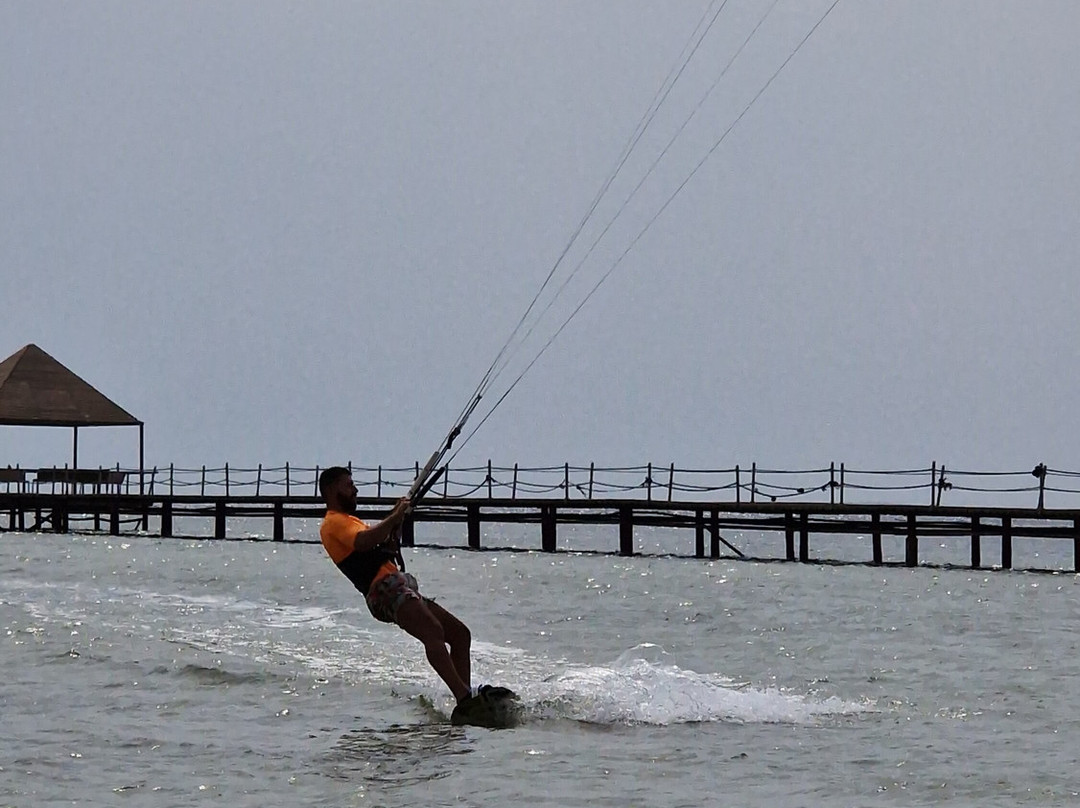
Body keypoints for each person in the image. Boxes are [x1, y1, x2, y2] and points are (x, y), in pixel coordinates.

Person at [318, 465, 490, 707]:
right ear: (332, 490)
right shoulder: (333, 523)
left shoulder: (350, 521)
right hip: (383, 591)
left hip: (397, 585)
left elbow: (379, 547)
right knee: (432, 631)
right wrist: (394, 516)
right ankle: (465, 699)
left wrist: (395, 526)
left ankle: (466, 699)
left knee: (460, 635)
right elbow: (364, 541)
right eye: (349, 485)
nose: (355, 489)